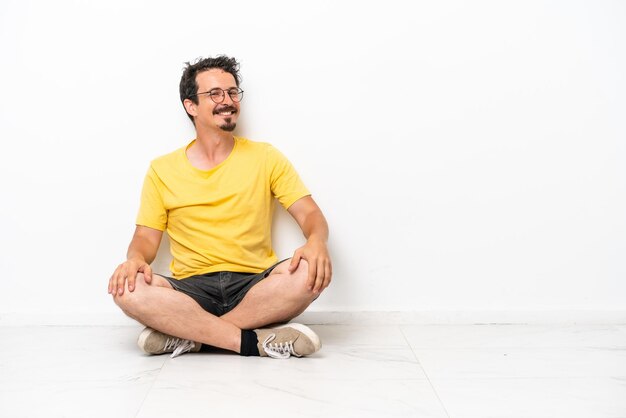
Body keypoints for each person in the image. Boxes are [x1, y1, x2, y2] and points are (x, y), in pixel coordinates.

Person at [108, 56, 332, 359]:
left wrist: (316, 241)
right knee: (128, 287)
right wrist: (134, 260)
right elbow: (146, 239)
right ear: (190, 106)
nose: (227, 101)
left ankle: (189, 336)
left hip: (254, 285)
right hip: (190, 289)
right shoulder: (162, 169)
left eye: (232, 92)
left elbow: (309, 213)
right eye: (214, 94)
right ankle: (254, 342)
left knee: (309, 271)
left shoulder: (266, 156)